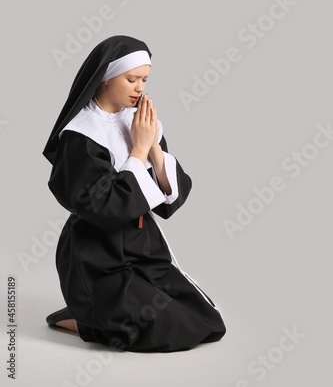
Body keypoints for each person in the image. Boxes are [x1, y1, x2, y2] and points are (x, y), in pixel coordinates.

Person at [43, 35, 226, 352]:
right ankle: (85, 318)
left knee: (206, 320)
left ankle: (98, 314)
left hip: (143, 248)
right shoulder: (80, 134)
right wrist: (138, 150)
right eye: (131, 79)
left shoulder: (138, 119)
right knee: (162, 327)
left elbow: (166, 201)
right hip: (96, 255)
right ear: (104, 77)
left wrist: (153, 146)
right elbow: (101, 207)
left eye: (144, 79)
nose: (139, 88)